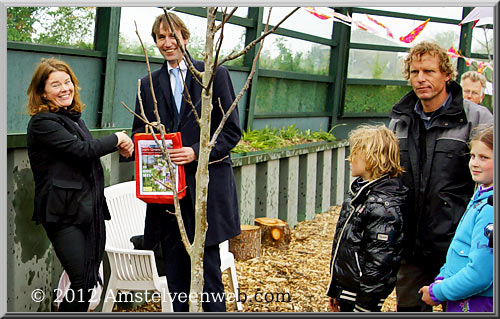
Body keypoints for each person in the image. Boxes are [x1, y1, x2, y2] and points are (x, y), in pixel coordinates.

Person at [131, 12, 242, 312]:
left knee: (208, 274)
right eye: (160, 38)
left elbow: (231, 131)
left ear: (186, 36)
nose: (167, 43)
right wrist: (142, 143)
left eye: (173, 36)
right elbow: (139, 131)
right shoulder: (147, 84)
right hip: (166, 195)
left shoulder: (213, 74)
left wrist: (196, 151)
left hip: (203, 192)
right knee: (177, 276)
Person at [388, 41, 493, 312]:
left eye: (429, 71)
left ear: (447, 74)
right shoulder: (400, 120)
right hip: (410, 244)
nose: (420, 78)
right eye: (414, 72)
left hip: (460, 243)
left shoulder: (476, 118)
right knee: (409, 309)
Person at [26, 57, 134, 312]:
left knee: (89, 280)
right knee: (82, 281)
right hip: (63, 215)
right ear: (42, 92)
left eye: (68, 82)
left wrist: (122, 143)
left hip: (90, 211)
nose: (65, 88)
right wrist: (117, 137)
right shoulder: (43, 123)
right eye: (56, 85)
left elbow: (88, 153)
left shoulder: (73, 119)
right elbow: (82, 150)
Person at [326, 124, 408, 312]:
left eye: (355, 153)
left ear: (372, 158)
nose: (349, 159)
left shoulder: (382, 207)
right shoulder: (360, 194)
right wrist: (335, 289)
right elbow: (345, 248)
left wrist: (364, 307)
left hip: (362, 298)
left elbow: (379, 265)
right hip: (348, 292)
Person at [419, 125, 493, 312]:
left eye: (484, 157)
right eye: (472, 156)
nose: (474, 163)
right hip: (461, 297)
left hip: (478, 303)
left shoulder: (490, 208)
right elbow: (460, 249)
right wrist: (442, 279)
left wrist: (438, 292)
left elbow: (481, 274)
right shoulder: (480, 196)